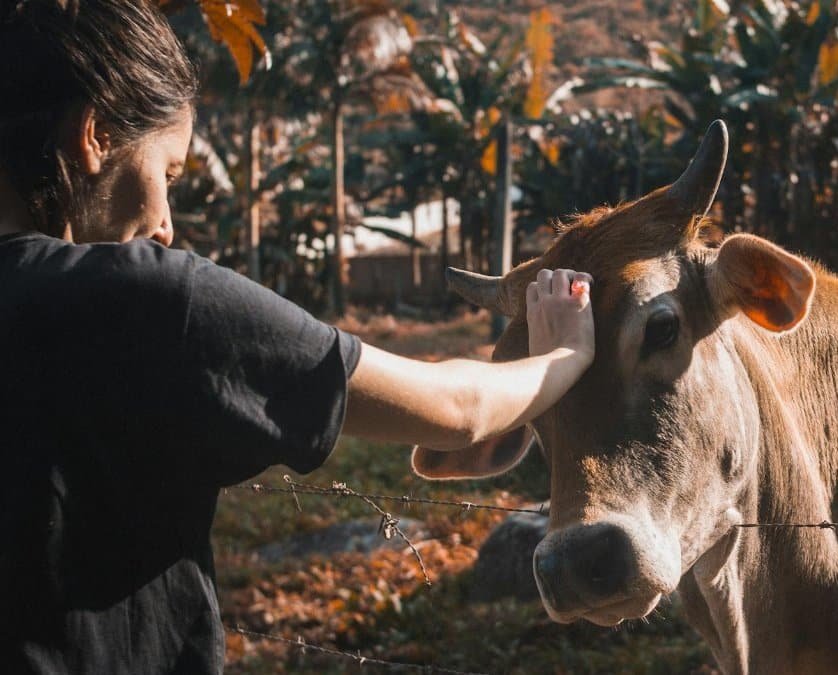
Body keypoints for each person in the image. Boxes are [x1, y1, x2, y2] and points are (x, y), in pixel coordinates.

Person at [0, 1, 594, 673]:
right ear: (97, 133)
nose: (167, 224)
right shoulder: (156, 302)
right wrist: (565, 350)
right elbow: (459, 410)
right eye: (167, 174)